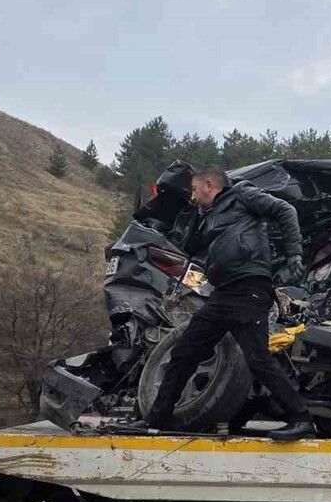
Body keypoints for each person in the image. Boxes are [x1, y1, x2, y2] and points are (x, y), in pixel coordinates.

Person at [126, 166, 315, 440]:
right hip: (223, 293)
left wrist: (294, 254)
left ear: (209, 185)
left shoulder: (242, 194)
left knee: (258, 359)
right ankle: (156, 420)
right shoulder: (208, 216)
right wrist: (178, 215)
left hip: (251, 288)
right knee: (184, 352)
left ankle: (302, 419)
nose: (192, 195)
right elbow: (187, 246)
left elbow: (286, 211)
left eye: (193, 189)